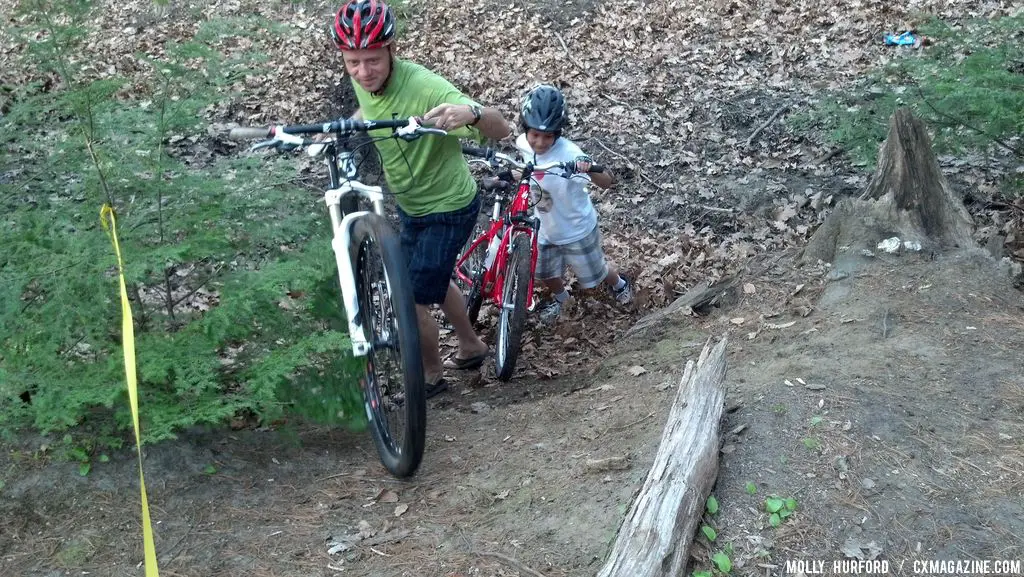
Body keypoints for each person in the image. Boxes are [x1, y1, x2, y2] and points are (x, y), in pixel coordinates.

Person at [331, 0, 513, 397]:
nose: (363, 72)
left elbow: (502, 127)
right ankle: (471, 345)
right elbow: (370, 107)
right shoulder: (364, 80)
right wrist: (351, 125)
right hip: (413, 205)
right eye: (353, 62)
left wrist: (471, 111)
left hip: (448, 207)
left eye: (373, 61)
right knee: (432, 276)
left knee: (411, 297)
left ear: (392, 49)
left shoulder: (425, 87)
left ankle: (431, 376)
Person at [514, 84, 634, 324]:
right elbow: (523, 166)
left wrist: (588, 169)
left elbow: (606, 181)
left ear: (558, 134)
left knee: (595, 273)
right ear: (525, 129)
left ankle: (619, 284)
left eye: (548, 136)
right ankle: (562, 298)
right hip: (544, 225)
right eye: (535, 134)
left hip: (575, 228)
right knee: (545, 271)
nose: (539, 142)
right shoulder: (522, 144)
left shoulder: (570, 153)